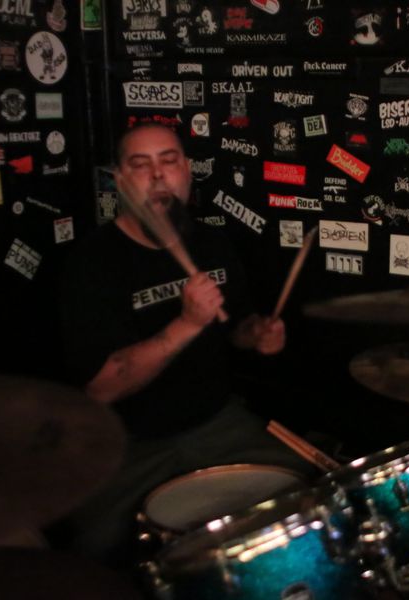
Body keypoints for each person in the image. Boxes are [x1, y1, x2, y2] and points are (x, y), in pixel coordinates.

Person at [55, 124, 309, 567]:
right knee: (101, 550)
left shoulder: (212, 243)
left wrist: (257, 333)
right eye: (141, 165)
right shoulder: (90, 263)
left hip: (218, 423)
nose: (158, 176)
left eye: (168, 161)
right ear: (120, 181)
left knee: (302, 493)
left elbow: (235, 327)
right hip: (130, 444)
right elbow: (102, 386)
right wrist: (187, 323)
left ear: (187, 172)